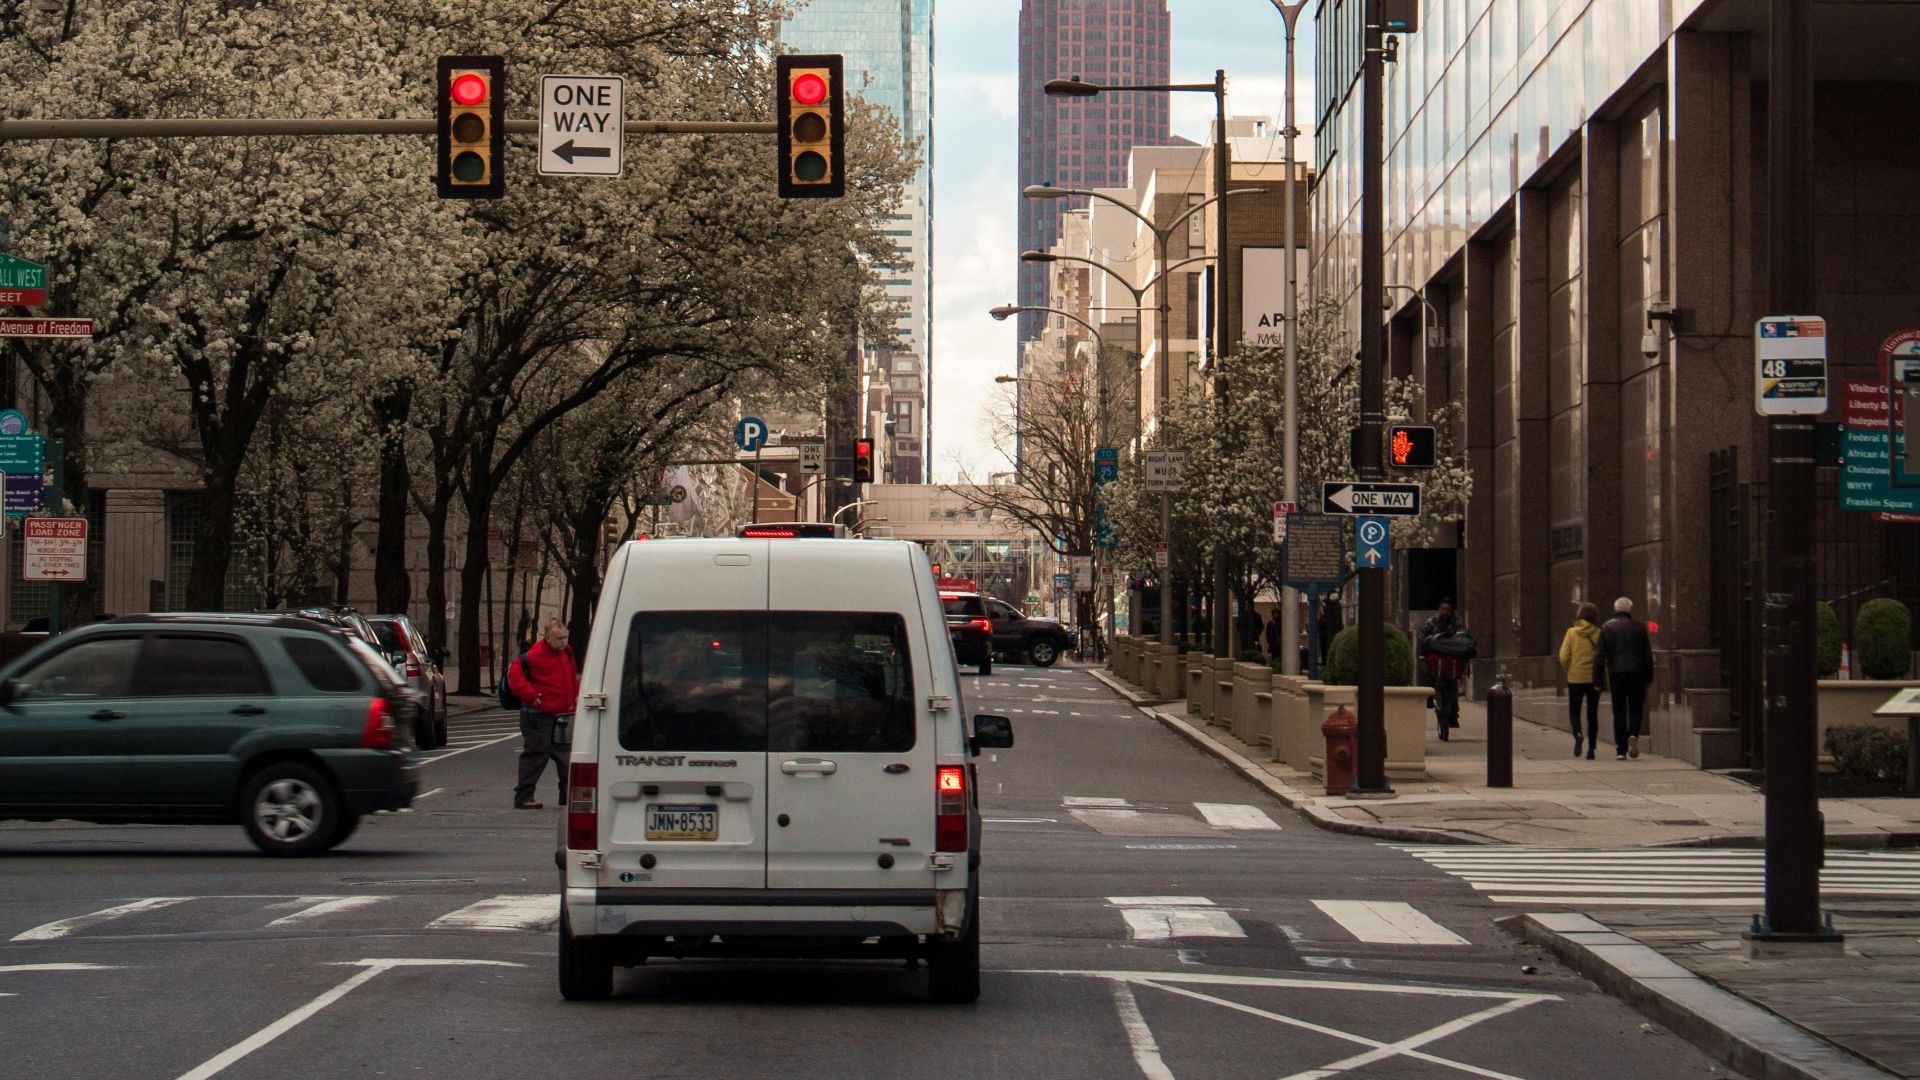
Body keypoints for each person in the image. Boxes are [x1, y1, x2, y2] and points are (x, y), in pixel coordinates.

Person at [507, 616, 581, 809]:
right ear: (547, 637)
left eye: (565, 637)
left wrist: (577, 696)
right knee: (536, 755)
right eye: (559, 638)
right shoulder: (534, 655)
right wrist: (532, 697)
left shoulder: (567, 653)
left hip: (562, 714)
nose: (563, 642)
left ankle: (567, 796)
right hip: (538, 715)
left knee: (566, 757)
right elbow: (514, 677)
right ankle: (524, 796)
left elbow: (571, 678)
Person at [1598, 597, 1655, 760]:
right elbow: (1647, 654)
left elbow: (1599, 656)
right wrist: (1649, 676)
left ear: (1615, 609)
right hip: (1637, 672)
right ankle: (1634, 735)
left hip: (1616, 673)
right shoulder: (1639, 627)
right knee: (1636, 707)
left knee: (1619, 710)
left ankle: (1620, 749)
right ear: (1630, 610)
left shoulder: (1607, 627)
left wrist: (1598, 680)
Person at [1558, 602, 1604, 759]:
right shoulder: (1599, 633)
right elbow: (1602, 656)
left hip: (1575, 678)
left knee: (1574, 711)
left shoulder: (1571, 633)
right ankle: (1591, 749)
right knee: (1592, 713)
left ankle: (1577, 734)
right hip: (1593, 679)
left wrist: (1569, 669)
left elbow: (1563, 656)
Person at [1419, 600, 1469, 741]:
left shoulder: (1457, 622)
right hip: (1437, 660)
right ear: (1439, 610)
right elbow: (1423, 635)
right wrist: (1426, 646)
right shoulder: (1432, 622)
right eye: (1443, 609)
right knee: (1430, 678)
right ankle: (1429, 699)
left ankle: (1453, 714)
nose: (1445, 612)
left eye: (1448, 609)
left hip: (1450, 661)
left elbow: (1463, 636)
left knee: (1452, 686)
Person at [1318, 592, 1345, 664]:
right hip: (1326, 629)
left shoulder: (1333, 608)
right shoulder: (1328, 607)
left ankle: (1327, 661)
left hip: (1329, 628)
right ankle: (1326, 661)